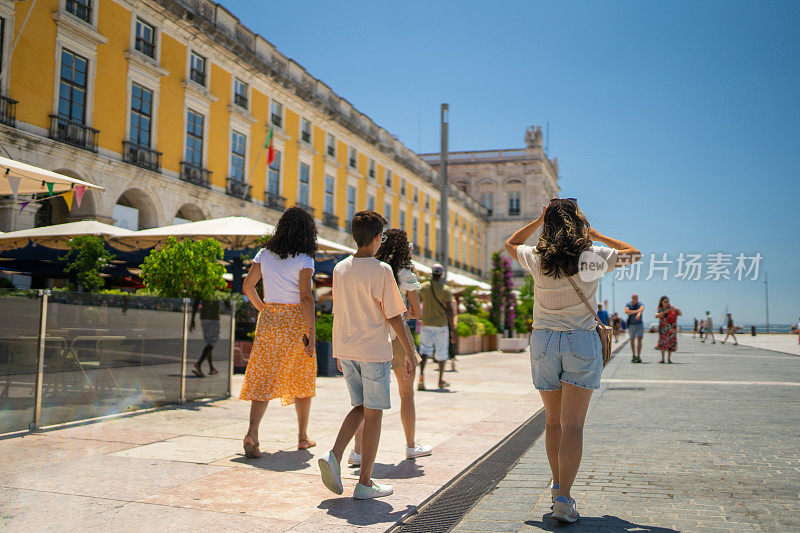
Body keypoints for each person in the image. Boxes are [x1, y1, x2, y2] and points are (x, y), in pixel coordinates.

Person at [505, 197, 640, 523]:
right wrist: (597, 233)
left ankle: (556, 489)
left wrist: (539, 220)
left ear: (548, 225)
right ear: (578, 223)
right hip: (581, 341)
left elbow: (511, 243)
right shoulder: (592, 258)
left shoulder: (537, 257)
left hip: (544, 341)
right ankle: (564, 499)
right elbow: (634, 253)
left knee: (552, 422)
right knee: (573, 425)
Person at [318, 211, 417, 500]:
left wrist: (338, 349)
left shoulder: (340, 269)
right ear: (376, 238)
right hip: (374, 351)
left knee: (361, 406)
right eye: (381, 236)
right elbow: (395, 316)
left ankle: (335, 455)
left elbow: (339, 312)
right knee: (374, 414)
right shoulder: (381, 270)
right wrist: (409, 352)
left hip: (347, 348)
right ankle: (364, 483)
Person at [349, 228, 432, 467]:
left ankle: (357, 451)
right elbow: (418, 313)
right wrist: (404, 309)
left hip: (372, 337)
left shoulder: (372, 269)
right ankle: (410, 445)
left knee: (365, 398)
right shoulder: (405, 274)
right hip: (398, 337)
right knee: (406, 395)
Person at [240, 206, 318, 457]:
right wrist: (312, 334)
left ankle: (252, 433)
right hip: (295, 320)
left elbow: (248, 286)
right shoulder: (305, 259)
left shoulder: (264, 253)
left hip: (269, 319)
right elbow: (305, 297)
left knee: (263, 374)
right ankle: (303, 437)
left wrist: (263, 308)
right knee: (303, 376)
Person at [417, 264, 456, 390]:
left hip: (426, 323)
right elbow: (449, 310)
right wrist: (452, 329)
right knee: (441, 353)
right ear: (442, 275)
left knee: (424, 351)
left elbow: (415, 300)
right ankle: (440, 380)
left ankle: (421, 377)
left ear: (431, 274)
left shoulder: (424, 287)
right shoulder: (446, 289)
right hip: (441, 325)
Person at [190, 298, 220, 377]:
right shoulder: (218, 287)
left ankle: (211, 368)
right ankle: (199, 363)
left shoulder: (202, 286)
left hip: (204, 317)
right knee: (211, 343)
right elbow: (226, 301)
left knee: (209, 342)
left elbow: (196, 302)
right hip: (213, 317)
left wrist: (192, 320)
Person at [654, 296, 681, 363]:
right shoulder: (660, 308)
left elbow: (680, 314)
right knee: (663, 342)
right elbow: (656, 316)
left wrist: (678, 310)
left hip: (671, 328)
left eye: (667, 302)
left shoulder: (672, 307)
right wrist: (664, 312)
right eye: (665, 302)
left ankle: (669, 358)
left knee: (671, 342)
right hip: (663, 328)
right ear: (661, 302)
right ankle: (663, 358)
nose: (666, 303)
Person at [625, 294, 644, 363]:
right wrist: (636, 311)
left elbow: (641, 309)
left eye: (636, 298)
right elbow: (626, 311)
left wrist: (638, 313)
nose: (635, 299)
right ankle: (634, 355)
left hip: (639, 324)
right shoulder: (628, 304)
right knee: (632, 340)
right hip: (631, 324)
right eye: (634, 297)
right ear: (632, 298)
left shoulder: (640, 304)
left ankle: (638, 355)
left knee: (639, 339)